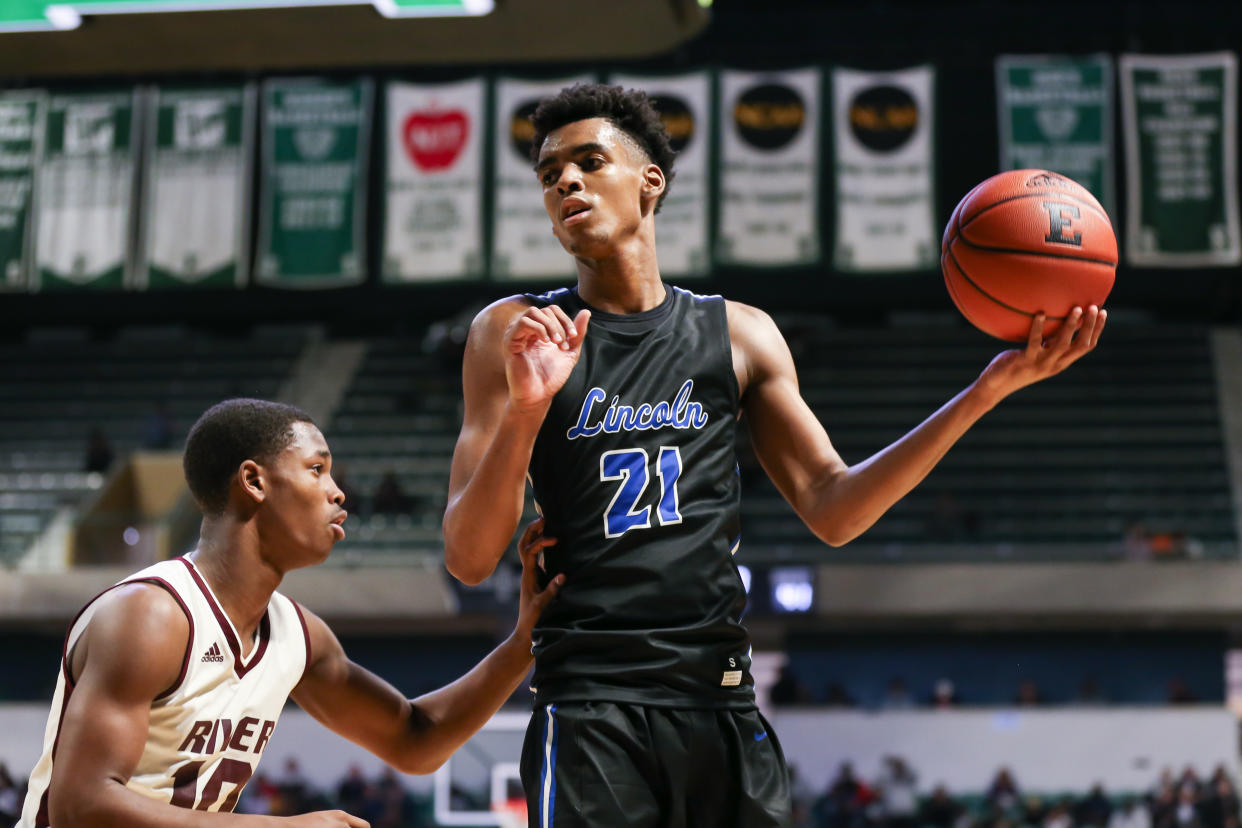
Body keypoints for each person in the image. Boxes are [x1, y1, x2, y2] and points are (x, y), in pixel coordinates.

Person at [440, 83, 1106, 827]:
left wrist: (987, 390)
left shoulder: (739, 335)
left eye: (590, 161)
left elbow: (834, 506)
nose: (565, 180)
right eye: (549, 172)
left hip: (721, 697)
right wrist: (529, 411)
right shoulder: (517, 332)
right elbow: (468, 558)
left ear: (649, 180)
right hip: (593, 701)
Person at [19, 398, 562, 828]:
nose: (338, 492)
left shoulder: (299, 636)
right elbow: (81, 808)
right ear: (254, 482)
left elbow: (416, 740)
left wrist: (522, 646)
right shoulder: (153, 615)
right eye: (317, 469)